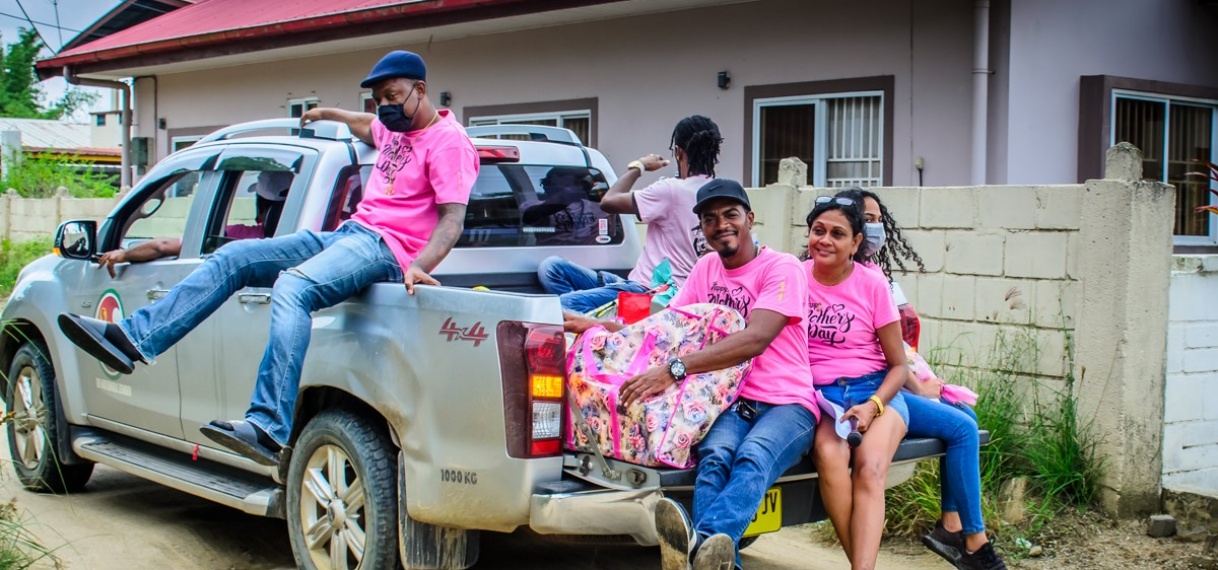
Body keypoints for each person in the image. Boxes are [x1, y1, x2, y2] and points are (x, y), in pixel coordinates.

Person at [57, 50, 478, 466]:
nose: (385, 107)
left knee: (293, 286)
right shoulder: (394, 130)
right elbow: (365, 125)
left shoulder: (448, 143)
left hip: (387, 248)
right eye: (379, 100)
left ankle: (268, 427)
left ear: (419, 90)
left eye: (392, 96)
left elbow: (451, 219)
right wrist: (326, 112)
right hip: (349, 234)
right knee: (233, 257)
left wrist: (421, 264)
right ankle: (133, 340)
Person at [567, 178, 816, 570]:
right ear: (701, 230)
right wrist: (594, 327)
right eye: (710, 219)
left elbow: (756, 338)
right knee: (714, 456)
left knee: (753, 457)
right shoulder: (705, 268)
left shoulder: (782, 267)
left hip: (788, 402)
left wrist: (675, 369)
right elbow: (664, 328)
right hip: (728, 399)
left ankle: (697, 542)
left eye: (730, 215)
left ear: (749, 218)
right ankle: (716, 561)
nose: (722, 225)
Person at [839, 188, 1007, 570]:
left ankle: (952, 524)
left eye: (880, 220)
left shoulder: (875, 273)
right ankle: (971, 539)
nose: (875, 227)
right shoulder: (849, 275)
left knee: (966, 415)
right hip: (877, 390)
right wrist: (918, 388)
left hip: (892, 383)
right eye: (868, 219)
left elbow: (897, 347)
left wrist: (927, 383)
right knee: (962, 428)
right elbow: (879, 355)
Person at [804, 195, 909, 570]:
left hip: (876, 393)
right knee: (831, 456)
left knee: (869, 466)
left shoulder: (872, 284)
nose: (826, 240)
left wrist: (874, 405)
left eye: (837, 233)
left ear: (856, 243)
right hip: (824, 399)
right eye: (819, 231)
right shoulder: (795, 279)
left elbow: (899, 366)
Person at [538, 115, 722, 313]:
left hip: (647, 295)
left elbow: (609, 201)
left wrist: (640, 166)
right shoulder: (721, 192)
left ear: (678, 152)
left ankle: (597, 332)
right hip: (641, 286)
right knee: (553, 268)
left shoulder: (670, 190)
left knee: (560, 306)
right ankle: (598, 321)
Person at [95, 171, 295, 277]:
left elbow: (162, 247)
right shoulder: (314, 239)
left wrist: (124, 254)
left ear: (261, 209)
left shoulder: (237, 236)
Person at [521, 166, 607, 245]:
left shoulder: (599, 208)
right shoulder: (532, 205)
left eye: (548, 182)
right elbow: (530, 216)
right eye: (545, 182)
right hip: (549, 257)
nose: (545, 186)